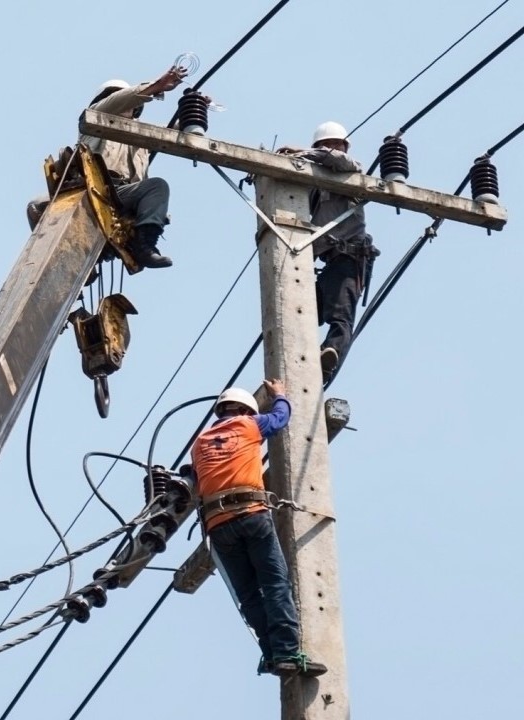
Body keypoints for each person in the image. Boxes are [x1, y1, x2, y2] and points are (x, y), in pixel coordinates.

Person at [191, 381, 327, 678]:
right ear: (244, 410)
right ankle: (287, 652)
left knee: (250, 595)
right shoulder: (247, 425)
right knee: (275, 583)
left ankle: (272, 654)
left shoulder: (199, 443)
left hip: (218, 525)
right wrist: (280, 394)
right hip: (250, 514)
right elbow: (280, 418)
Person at [27, 65, 191, 268]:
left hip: (123, 197)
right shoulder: (95, 116)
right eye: (115, 96)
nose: (122, 101)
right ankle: (61, 261)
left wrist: (194, 108)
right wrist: (157, 86)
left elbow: (176, 134)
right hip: (91, 188)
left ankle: (144, 246)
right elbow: (122, 99)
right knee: (37, 205)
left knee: (157, 187)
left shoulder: (142, 135)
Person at [278, 122, 380, 381]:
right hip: (328, 264)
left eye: (336, 144)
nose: (332, 148)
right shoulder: (313, 184)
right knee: (298, 310)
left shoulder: (352, 170)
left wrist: (301, 153)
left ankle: (330, 355)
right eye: (326, 144)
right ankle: (302, 361)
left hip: (350, 259)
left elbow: (338, 160)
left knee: (341, 317)